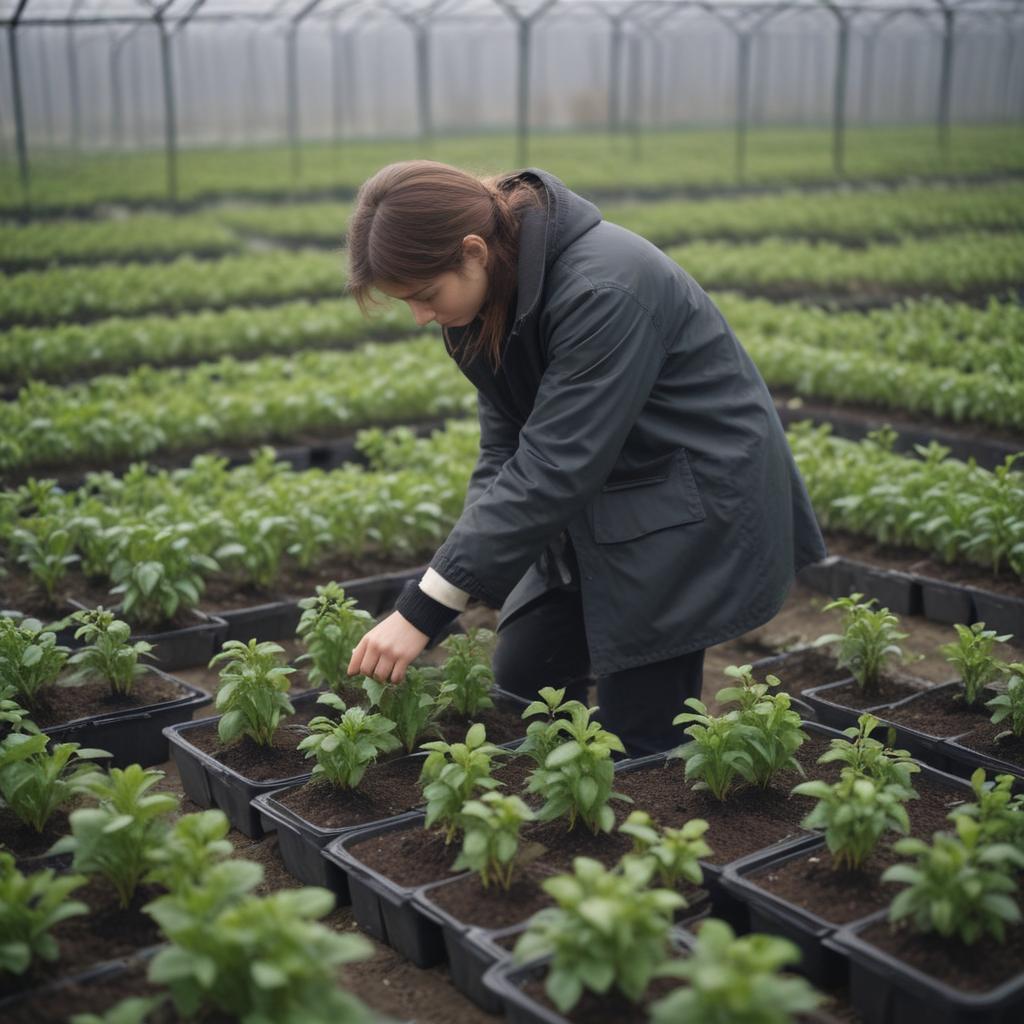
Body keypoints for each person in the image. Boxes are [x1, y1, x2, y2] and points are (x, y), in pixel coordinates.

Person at [344, 159, 827, 756]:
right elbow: (506, 451)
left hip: (686, 501)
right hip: (601, 495)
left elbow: (552, 463)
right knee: (524, 682)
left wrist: (423, 608)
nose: (420, 316)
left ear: (473, 250)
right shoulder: (486, 298)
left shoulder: (603, 289)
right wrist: (461, 578)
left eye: (424, 295)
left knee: (641, 736)